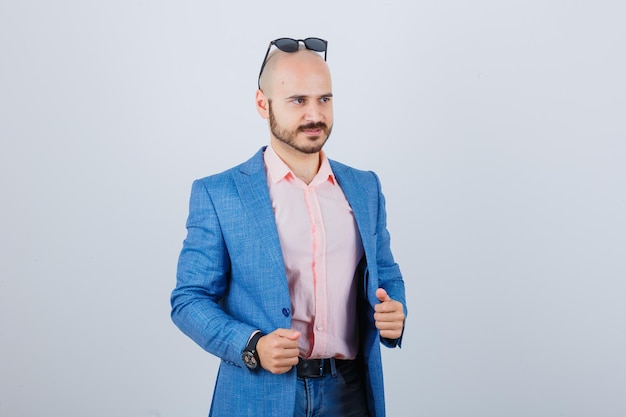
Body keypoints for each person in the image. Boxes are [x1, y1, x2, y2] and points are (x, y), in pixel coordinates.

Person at [171, 37, 407, 417]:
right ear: (263, 104)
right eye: (298, 100)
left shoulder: (365, 188)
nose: (315, 114)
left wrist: (395, 311)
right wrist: (251, 344)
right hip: (258, 395)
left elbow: (387, 273)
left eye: (324, 99)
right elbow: (189, 299)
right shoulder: (219, 193)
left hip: (349, 393)